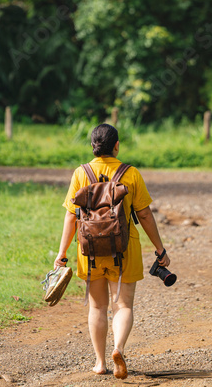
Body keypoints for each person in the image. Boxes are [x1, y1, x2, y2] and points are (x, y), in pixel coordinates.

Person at [54, 123, 170, 379]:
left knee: (97, 308)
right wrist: (160, 249)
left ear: (93, 147)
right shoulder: (131, 174)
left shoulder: (80, 174)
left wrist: (61, 254)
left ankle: (100, 362)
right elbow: (145, 215)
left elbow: (71, 218)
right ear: (116, 146)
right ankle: (118, 348)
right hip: (125, 249)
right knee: (123, 305)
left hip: (90, 252)